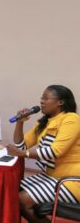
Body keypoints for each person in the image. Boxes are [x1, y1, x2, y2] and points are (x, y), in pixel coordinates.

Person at [7, 85, 80, 222]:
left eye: (46, 98)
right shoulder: (45, 122)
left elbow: (55, 151)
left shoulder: (71, 119)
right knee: (11, 189)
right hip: (50, 176)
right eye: (41, 98)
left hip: (71, 180)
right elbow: (22, 146)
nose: (41, 101)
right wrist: (19, 123)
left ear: (61, 102)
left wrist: (23, 154)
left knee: (22, 199)